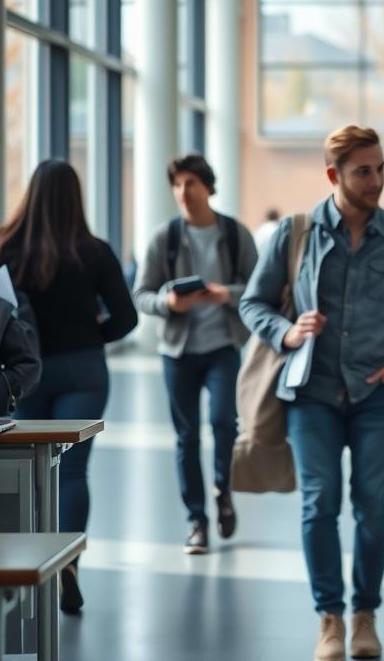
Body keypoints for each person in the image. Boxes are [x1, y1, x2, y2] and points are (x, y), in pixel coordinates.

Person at [239, 124, 384, 661]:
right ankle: (329, 618)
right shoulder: (296, 232)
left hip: (380, 396)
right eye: (363, 171)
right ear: (334, 175)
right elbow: (253, 303)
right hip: (312, 393)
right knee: (319, 503)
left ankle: (365, 614)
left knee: (372, 506)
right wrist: (284, 333)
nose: (376, 179)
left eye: (380, 168)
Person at [0, 159, 137, 613]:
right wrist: (91, 337)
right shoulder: (95, 251)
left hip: (24, 375)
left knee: (32, 475)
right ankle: (69, 566)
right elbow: (127, 319)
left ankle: (32, 564)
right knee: (72, 472)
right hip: (83, 371)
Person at [133, 155, 258, 555]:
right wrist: (169, 304)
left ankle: (223, 489)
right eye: (177, 185)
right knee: (186, 438)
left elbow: (261, 289)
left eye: (191, 183)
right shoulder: (163, 238)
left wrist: (228, 294)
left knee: (224, 422)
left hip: (223, 345)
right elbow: (141, 294)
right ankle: (196, 521)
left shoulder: (236, 235)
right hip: (178, 352)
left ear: (208, 186)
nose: (183, 193)